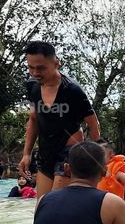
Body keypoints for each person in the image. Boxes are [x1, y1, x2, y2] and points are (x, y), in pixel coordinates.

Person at [19, 41, 100, 197]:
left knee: (56, 204)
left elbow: (93, 124)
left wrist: (95, 159)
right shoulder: (32, 86)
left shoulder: (72, 90)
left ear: (56, 63)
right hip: (45, 151)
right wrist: (26, 153)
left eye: (41, 68)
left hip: (69, 151)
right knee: (42, 206)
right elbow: (33, 119)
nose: (35, 73)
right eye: (31, 67)